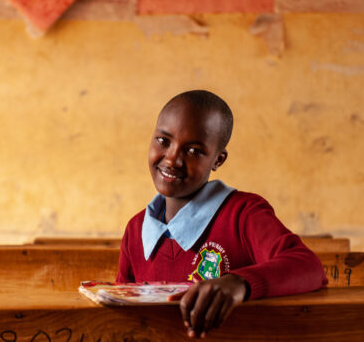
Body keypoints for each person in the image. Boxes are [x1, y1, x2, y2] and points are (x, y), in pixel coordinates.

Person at [117, 90, 327, 338]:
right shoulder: (136, 230)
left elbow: (309, 267)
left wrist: (239, 282)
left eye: (193, 151)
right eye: (163, 141)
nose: (172, 159)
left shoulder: (243, 214)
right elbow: (121, 315)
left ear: (218, 160)